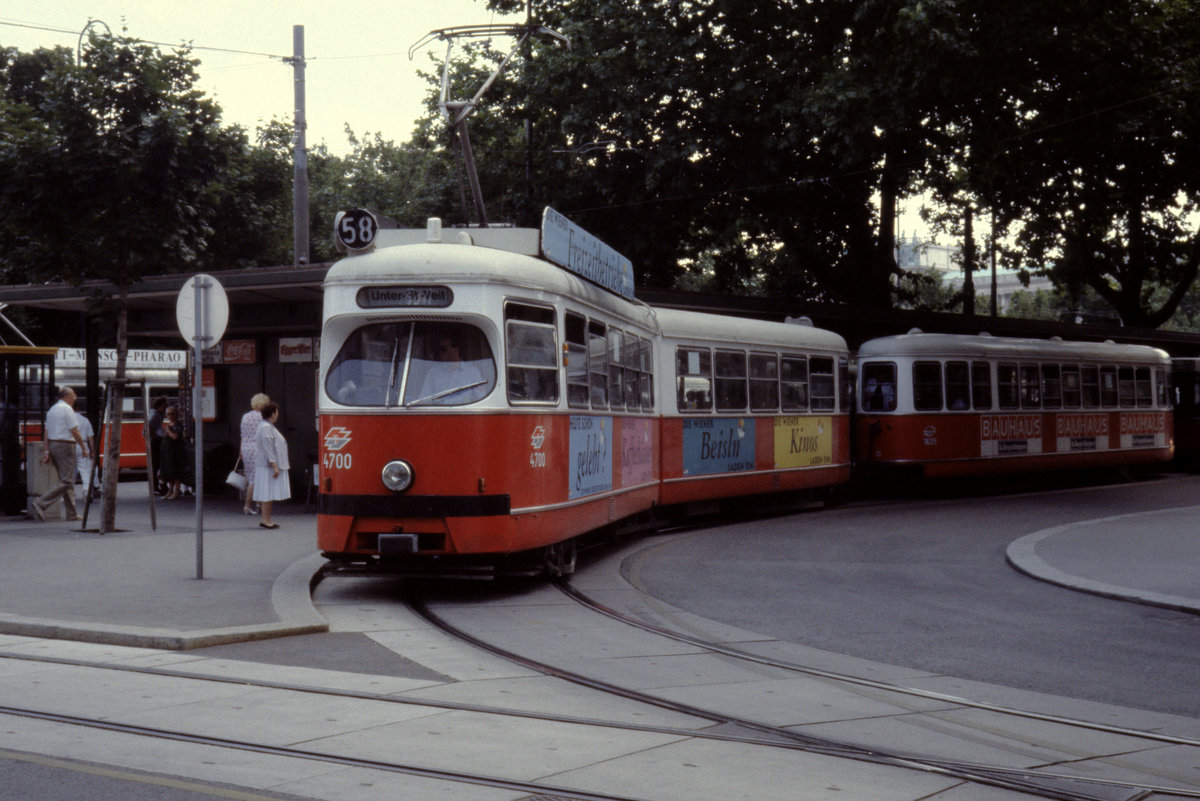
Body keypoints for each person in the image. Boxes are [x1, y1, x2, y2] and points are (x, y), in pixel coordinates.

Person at [32, 386, 88, 522]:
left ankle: (71, 513)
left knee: (65, 479)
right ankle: (41, 502)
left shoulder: (52, 410)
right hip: (65, 445)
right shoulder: (67, 409)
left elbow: (46, 432)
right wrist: (83, 447)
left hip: (53, 445)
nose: (75, 398)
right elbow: (74, 430)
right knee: (67, 480)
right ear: (67, 396)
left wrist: (47, 450)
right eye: (73, 395)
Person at [414, 335, 487, 404]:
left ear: (456, 349)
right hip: (439, 411)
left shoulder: (472, 371)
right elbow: (424, 399)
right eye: (439, 349)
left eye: (443, 349)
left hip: (463, 411)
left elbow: (480, 398)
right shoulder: (433, 372)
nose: (440, 353)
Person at [253, 402, 289, 529]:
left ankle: (267, 519)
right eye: (276, 412)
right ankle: (265, 520)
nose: (278, 415)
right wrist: (274, 466)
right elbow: (268, 448)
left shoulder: (267, 426)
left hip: (266, 464)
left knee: (268, 492)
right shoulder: (266, 427)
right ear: (272, 413)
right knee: (267, 492)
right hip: (267, 465)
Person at [239, 393, 270, 514]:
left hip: (246, 448)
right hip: (258, 449)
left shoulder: (245, 416)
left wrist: (241, 451)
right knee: (256, 479)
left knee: (251, 476)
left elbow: (243, 435)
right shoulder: (263, 418)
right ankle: (247, 506)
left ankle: (258, 504)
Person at [159, 406, 186, 500]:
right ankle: (170, 491)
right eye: (168, 414)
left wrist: (167, 429)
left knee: (176, 471)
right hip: (167, 452)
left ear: (176, 414)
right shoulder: (168, 425)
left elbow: (175, 437)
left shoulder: (177, 425)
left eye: (172, 414)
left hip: (175, 451)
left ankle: (176, 491)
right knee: (170, 472)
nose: (170, 416)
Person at [74, 409, 99, 502]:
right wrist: (92, 451)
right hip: (83, 445)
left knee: (70, 472)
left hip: (70, 445)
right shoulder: (85, 420)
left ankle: (69, 493)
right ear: (78, 409)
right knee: (85, 471)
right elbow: (90, 438)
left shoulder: (67, 419)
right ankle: (87, 491)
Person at [147, 397, 167, 495]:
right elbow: (148, 427)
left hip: (154, 440)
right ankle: (156, 487)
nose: (165, 408)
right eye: (165, 405)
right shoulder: (155, 415)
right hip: (155, 441)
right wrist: (156, 436)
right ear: (160, 405)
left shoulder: (155, 413)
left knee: (157, 465)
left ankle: (159, 486)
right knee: (156, 465)